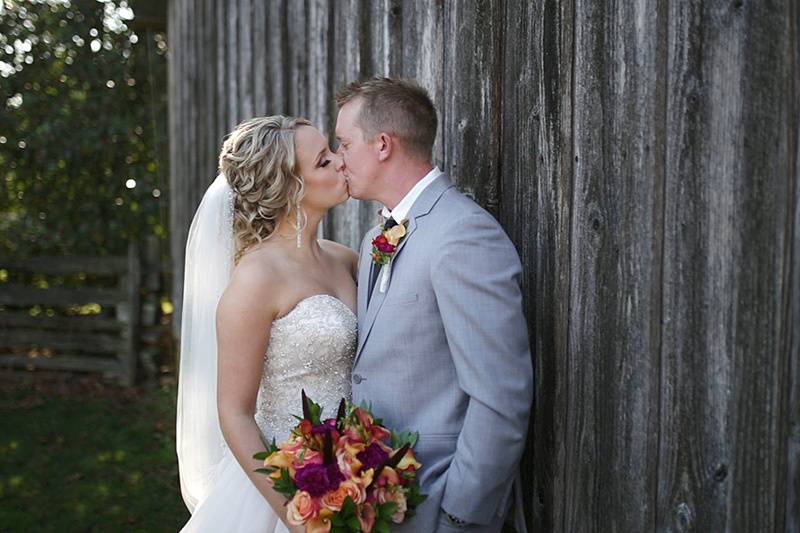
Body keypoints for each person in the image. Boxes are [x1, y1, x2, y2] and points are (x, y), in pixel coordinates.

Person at [335, 77, 534, 533]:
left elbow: (501, 395)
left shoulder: (463, 235)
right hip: (385, 506)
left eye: (344, 143)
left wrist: (461, 516)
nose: (338, 157)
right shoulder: (373, 239)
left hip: (442, 505)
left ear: (382, 144)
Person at [176, 115, 358, 533]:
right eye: (324, 161)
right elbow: (234, 412)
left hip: (353, 468)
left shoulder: (343, 258)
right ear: (290, 187)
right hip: (284, 482)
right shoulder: (257, 278)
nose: (340, 162)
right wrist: (296, 515)